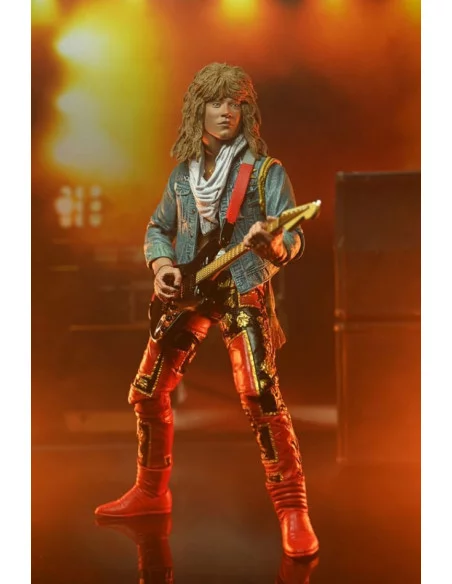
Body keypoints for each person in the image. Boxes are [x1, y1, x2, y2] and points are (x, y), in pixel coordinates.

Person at [95, 62, 319, 559]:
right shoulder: (182, 177)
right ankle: (151, 492)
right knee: (147, 390)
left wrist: (274, 244)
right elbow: (158, 228)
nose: (225, 112)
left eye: (235, 103)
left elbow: (296, 238)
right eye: (216, 102)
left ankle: (293, 510)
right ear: (198, 110)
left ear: (246, 111)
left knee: (259, 393)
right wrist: (162, 266)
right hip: (191, 287)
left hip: (242, 286)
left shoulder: (266, 172)